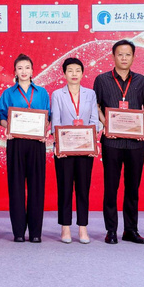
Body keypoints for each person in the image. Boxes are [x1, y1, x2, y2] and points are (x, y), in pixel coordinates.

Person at [93, 39, 144, 245]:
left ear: (133, 57)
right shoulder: (102, 80)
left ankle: (131, 230)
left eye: (128, 54)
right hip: (112, 142)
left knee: (132, 187)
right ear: (113, 56)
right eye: (120, 54)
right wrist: (106, 125)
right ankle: (111, 230)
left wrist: (143, 126)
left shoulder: (141, 80)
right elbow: (96, 106)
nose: (124, 58)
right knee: (111, 186)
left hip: (136, 143)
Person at [0, 54, 51, 243]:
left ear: (32, 71)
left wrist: (45, 130)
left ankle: (35, 232)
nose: (24, 71)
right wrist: (8, 128)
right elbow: (1, 117)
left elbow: (49, 116)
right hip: (16, 142)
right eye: (20, 68)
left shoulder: (42, 93)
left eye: (27, 67)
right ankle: (18, 232)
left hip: (37, 143)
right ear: (15, 71)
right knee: (16, 186)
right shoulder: (8, 93)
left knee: (37, 186)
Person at [50, 58, 100, 244]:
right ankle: (65, 227)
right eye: (70, 70)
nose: (74, 74)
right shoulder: (57, 94)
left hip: (85, 148)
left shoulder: (90, 94)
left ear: (82, 73)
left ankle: (83, 227)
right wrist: (58, 145)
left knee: (83, 188)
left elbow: (94, 120)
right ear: (64, 73)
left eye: (77, 70)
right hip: (64, 149)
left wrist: (92, 141)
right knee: (64, 187)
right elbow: (56, 121)